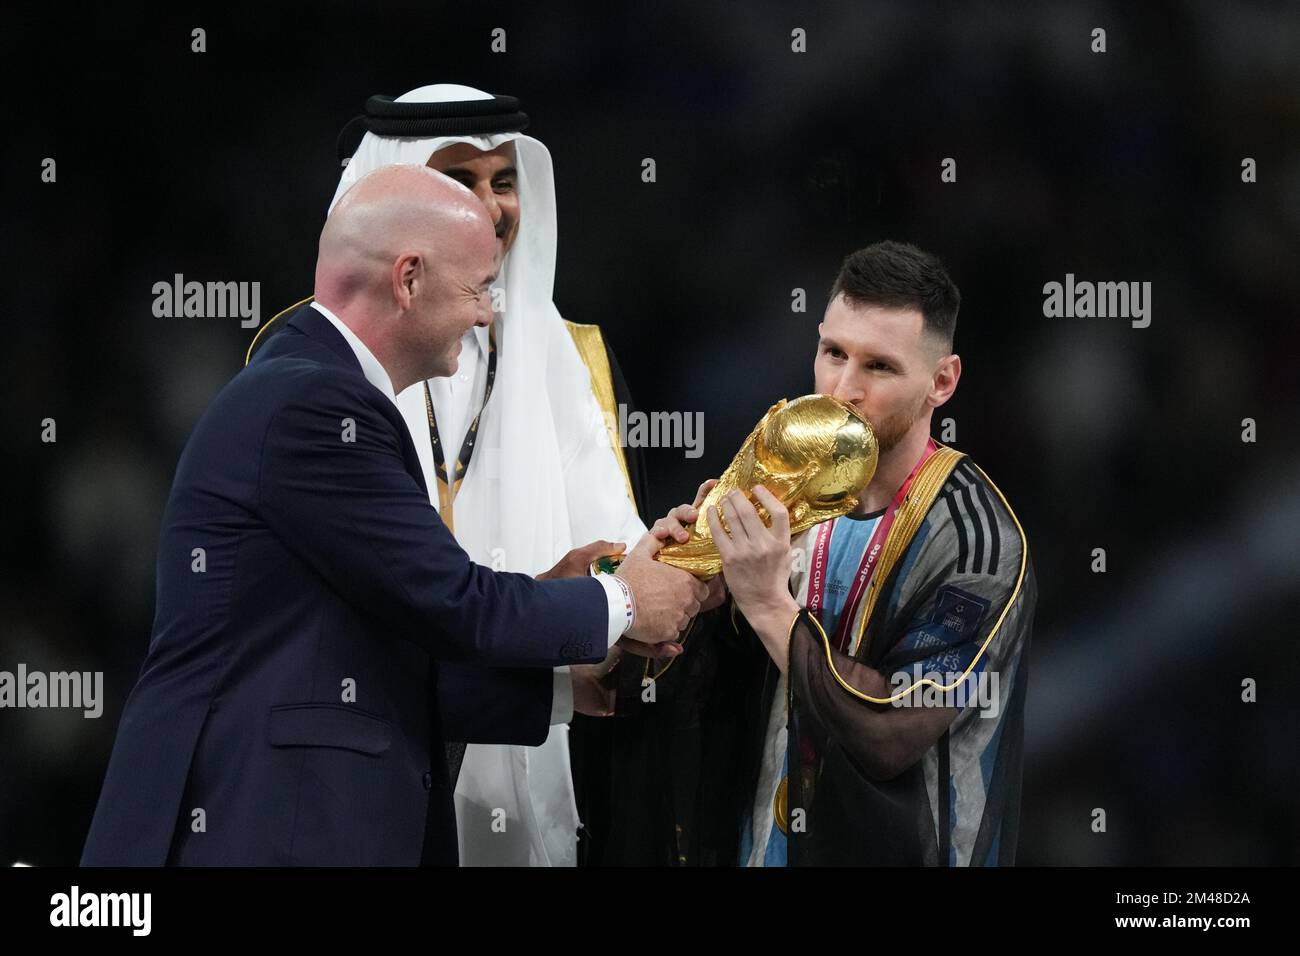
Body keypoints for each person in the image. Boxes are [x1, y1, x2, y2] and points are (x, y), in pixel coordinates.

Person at [79, 164, 705, 867]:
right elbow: (456, 605)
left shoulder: (310, 390)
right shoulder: (315, 406)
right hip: (259, 826)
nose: (485, 314)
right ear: (408, 280)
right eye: (479, 287)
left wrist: (564, 683)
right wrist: (624, 599)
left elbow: (364, 662)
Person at [249, 84, 666, 867]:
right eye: (456, 180)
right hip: (355, 766)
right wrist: (609, 600)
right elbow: (385, 620)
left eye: (502, 180)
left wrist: (689, 557)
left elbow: (615, 551)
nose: (488, 206)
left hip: (526, 741)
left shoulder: (568, 357)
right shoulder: (313, 376)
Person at [622, 241, 1037, 866]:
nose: (843, 389)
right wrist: (689, 600)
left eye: (880, 367)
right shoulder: (781, 487)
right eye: (833, 353)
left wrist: (765, 602)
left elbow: (891, 731)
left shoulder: (977, 541)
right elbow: (691, 698)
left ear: (942, 381)